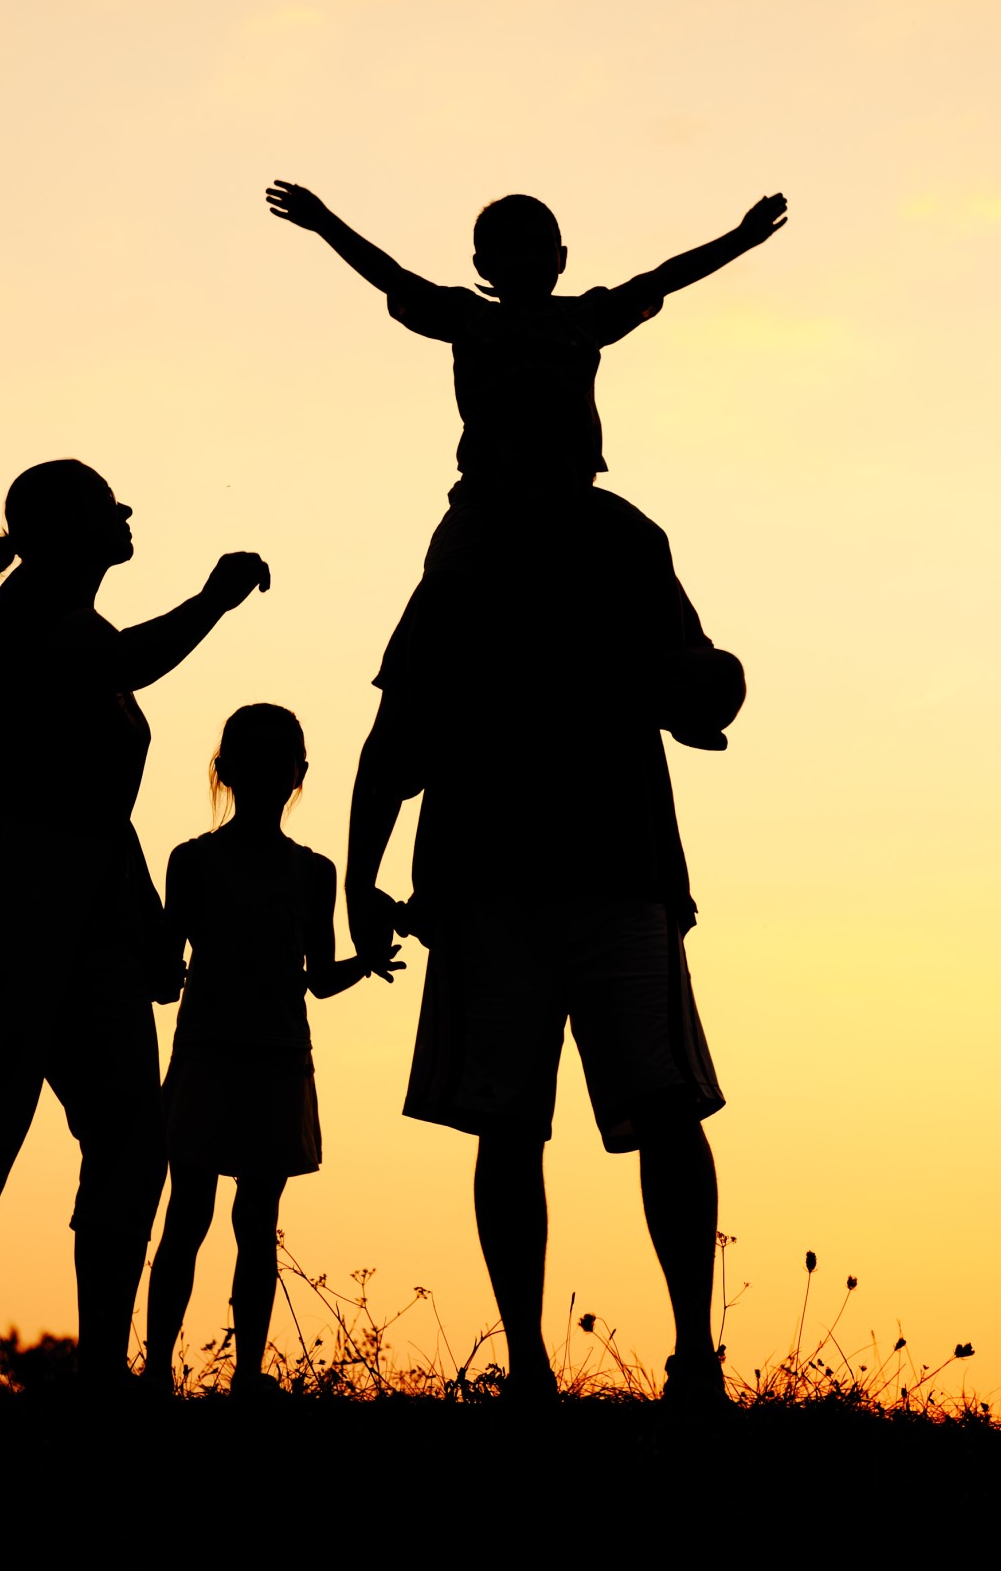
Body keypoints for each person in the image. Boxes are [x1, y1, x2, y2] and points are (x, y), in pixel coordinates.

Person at [345, 498, 747, 1407]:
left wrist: (360, 882)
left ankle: (611, 1360)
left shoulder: (593, 540)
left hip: (552, 878)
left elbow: (395, 739)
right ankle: (607, 1361)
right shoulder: (541, 544)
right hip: (551, 879)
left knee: (547, 1120)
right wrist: (358, 881)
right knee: (562, 1119)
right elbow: (398, 734)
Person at [0, 459, 270, 1381]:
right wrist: (213, 601)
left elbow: (105, 809)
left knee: (130, 1137)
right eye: (108, 502)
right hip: (20, 883)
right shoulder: (34, 613)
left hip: (89, 891)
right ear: (65, 523)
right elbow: (128, 664)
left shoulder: (78, 622)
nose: (127, 510)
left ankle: (104, 1370)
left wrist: (141, 920)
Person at [264, 181, 784, 736]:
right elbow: (393, 278)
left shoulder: (587, 318)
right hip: (490, 501)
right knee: (440, 592)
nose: (528, 259)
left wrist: (742, 239)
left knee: (648, 542)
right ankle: (412, 717)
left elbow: (663, 279)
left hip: (572, 499)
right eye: (511, 248)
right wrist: (325, 224)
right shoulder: (467, 316)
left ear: (561, 259)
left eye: (540, 247)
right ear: (483, 264)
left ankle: (682, 675)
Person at [143, 704, 402, 1394]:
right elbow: (169, 971)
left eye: (272, 759)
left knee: (238, 1223)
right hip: (223, 1055)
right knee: (205, 1219)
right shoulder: (202, 864)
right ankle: (171, 1369)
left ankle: (221, 1373)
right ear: (228, 770)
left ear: (294, 774)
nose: (263, 773)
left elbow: (314, 977)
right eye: (252, 759)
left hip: (258, 1058)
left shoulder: (293, 871)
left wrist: (363, 963)